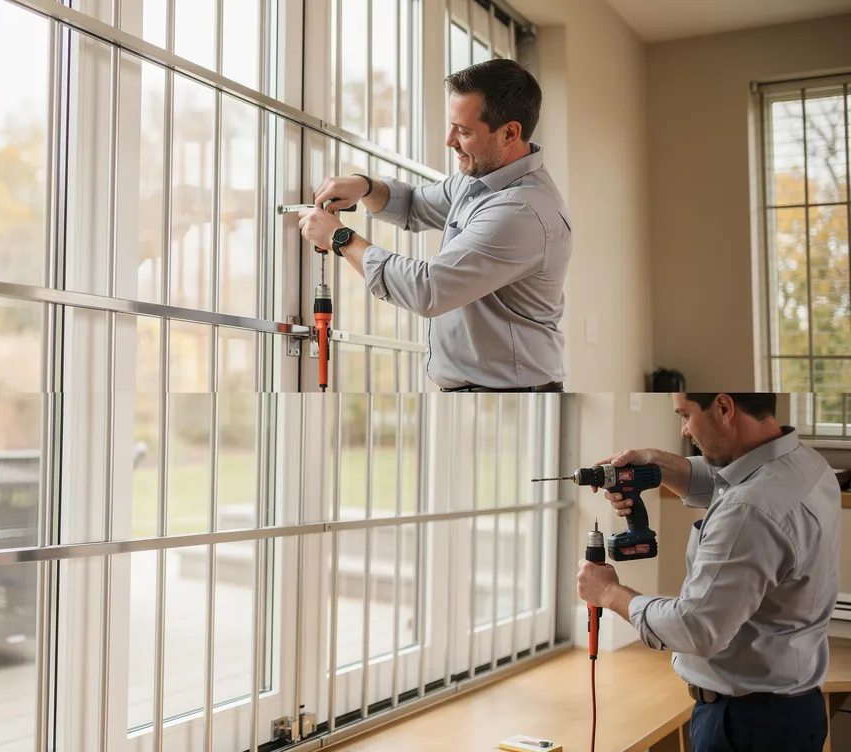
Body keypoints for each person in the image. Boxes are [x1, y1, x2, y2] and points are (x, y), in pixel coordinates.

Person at [575, 393, 841, 752]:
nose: (685, 430)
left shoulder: (748, 510)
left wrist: (608, 593)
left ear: (724, 407)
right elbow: (719, 478)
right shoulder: (805, 463)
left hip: (746, 728)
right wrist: (653, 462)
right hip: (792, 710)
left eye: (686, 415)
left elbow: (696, 628)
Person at [297, 58, 570, 392]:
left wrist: (339, 238)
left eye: (464, 131)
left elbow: (428, 290)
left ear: (509, 133)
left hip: (508, 394)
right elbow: (413, 204)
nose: (449, 140)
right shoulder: (480, 181)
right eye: (452, 125)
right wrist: (365, 186)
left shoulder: (519, 210)